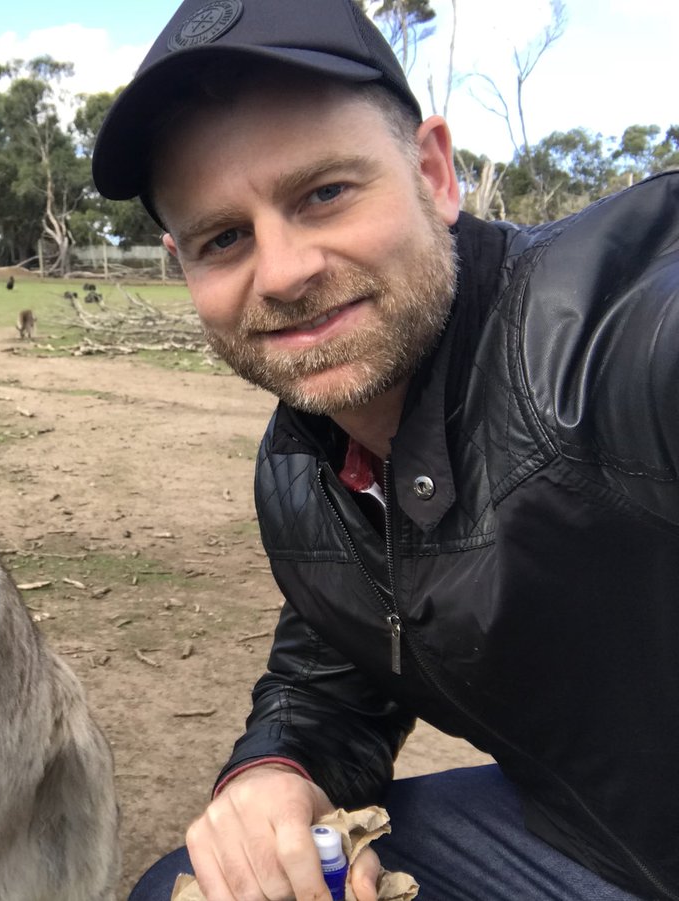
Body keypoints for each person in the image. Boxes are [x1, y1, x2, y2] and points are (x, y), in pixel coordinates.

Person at [90, 1, 679, 899]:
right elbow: (339, 666)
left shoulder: (605, 338)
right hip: (585, 842)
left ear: (434, 174)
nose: (283, 271)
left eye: (324, 193)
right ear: (185, 266)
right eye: (225, 238)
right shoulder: (305, 468)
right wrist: (275, 770)